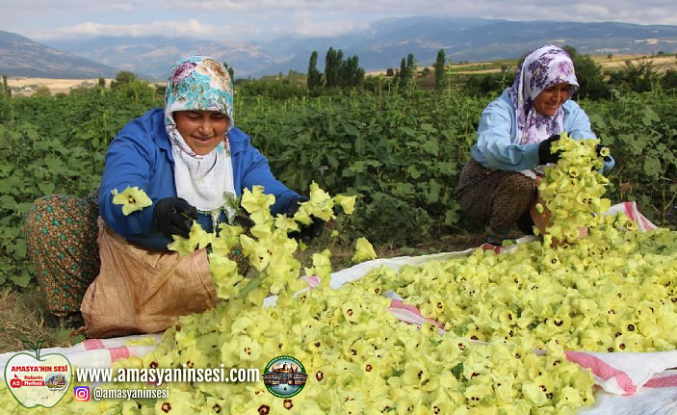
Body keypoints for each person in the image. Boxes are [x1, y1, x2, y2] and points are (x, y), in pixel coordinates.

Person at [24, 56, 324, 329]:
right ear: (173, 111)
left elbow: (266, 190)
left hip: (195, 264)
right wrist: (153, 214)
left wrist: (293, 207)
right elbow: (118, 192)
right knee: (52, 215)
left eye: (216, 117)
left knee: (240, 240)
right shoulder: (140, 138)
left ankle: (191, 312)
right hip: (129, 246)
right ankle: (78, 313)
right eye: (193, 116)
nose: (207, 129)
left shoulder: (237, 148)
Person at [455, 45, 615, 249]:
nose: (558, 98)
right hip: (485, 186)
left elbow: (585, 140)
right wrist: (538, 152)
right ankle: (495, 240)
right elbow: (492, 150)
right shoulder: (501, 110)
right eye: (549, 89)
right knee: (521, 183)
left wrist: (595, 156)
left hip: (538, 189)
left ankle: (531, 225)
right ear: (532, 85)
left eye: (565, 89)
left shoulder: (570, 112)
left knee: (568, 230)